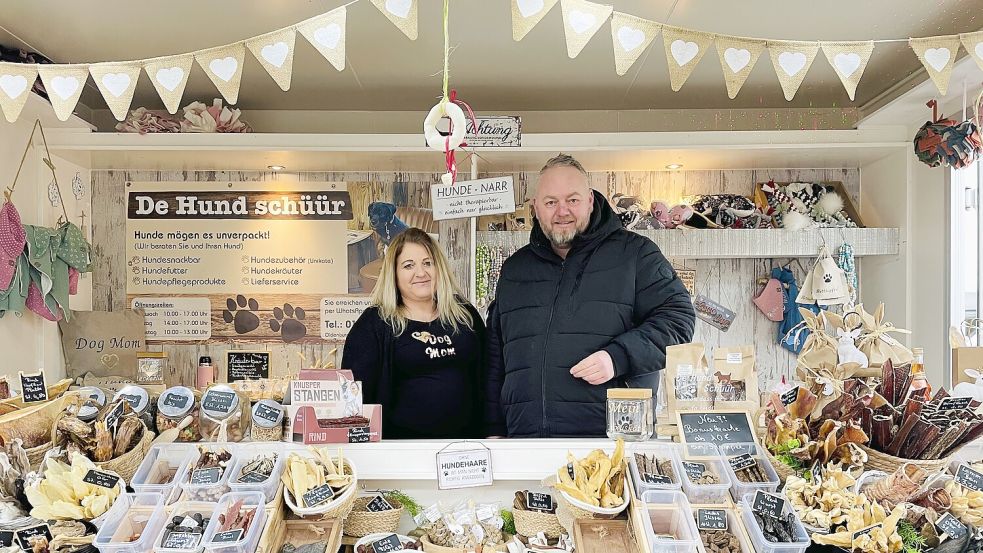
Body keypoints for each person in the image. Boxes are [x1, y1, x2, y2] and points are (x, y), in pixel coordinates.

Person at [485, 154, 696, 438]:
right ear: (535, 207)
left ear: (590, 201)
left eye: (572, 200)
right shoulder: (515, 269)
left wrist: (617, 357)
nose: (562, 212)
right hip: (525, 443)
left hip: (610, 446)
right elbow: (496, 355)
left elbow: (678, 320)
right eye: (551, 202)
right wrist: (493, 428)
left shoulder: (635, 254)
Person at [343, 228, 486, 439]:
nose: (421, 273)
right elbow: (353, 396)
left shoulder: (464, 314)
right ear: (394, 273)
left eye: (427, 263)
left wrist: (494, 430)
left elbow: (489, 375)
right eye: (408, 265)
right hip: (400, 452)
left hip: (464, 453)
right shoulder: (375, 323)